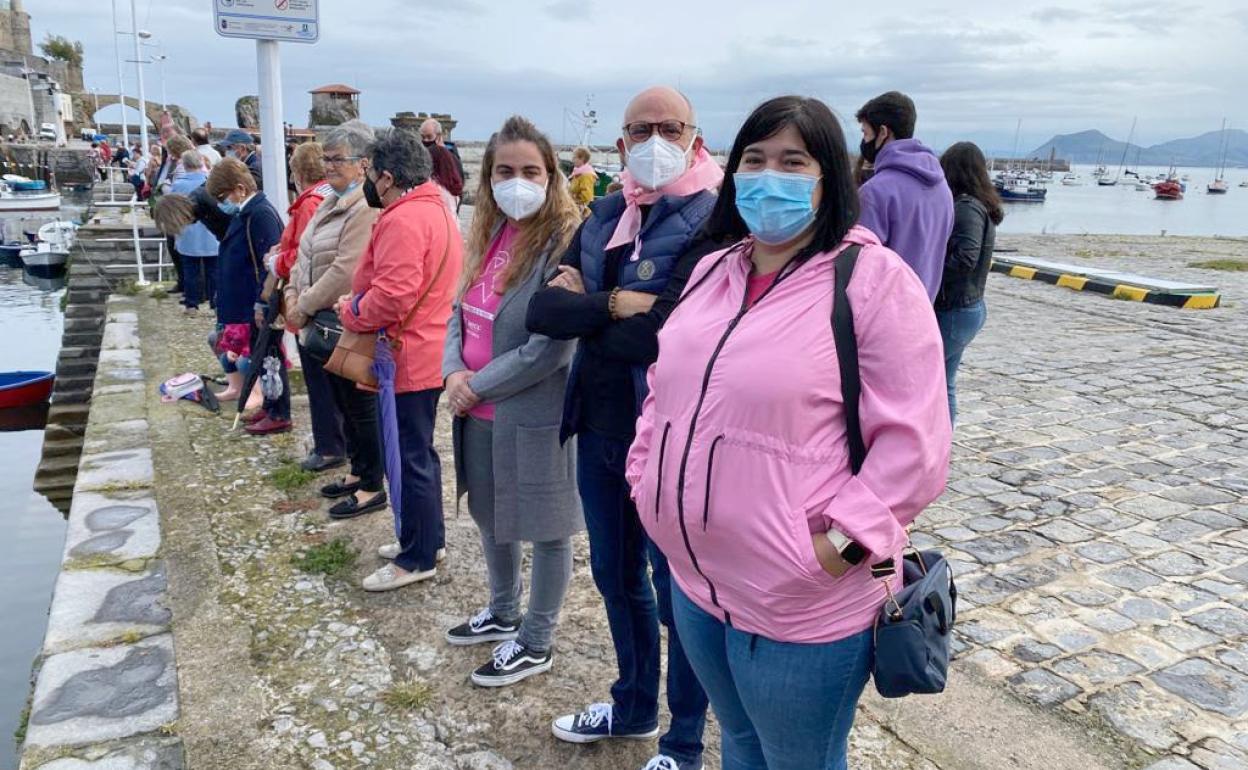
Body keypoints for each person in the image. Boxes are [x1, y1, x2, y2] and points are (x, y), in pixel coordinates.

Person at [626, 95, 952, 770]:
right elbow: (664, 391)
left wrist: (833, 548)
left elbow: (914, 447)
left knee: (799, 757)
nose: (768, 175)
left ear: (828, 177)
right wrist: (644, 478)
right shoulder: (716, 270)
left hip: (801, 606)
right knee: (739, 742)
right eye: (754, 159)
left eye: (792, 161)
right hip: (696, 585)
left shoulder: (873, 282)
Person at [527, 85, 722, 770]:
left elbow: (673, 332)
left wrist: (601, 308)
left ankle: (684, 743)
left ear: (695, 137)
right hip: (600, 427)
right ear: (620, 144)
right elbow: (544, 314)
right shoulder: (607, 210)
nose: (653, 141)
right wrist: (616, 302)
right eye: (640, 130)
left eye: (668, 127)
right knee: (616, 577)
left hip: (669, 439)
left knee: (680, 596)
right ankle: (635, 705)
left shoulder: (715, 221)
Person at [440, 116, 582, 687]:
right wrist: (453, 372)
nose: (516, 181)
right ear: (488, 177)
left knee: (548, 530)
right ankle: (503, 610)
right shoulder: (489, 232)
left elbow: (551, 350)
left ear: (551, 176)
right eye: (505, 171)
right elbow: (459, 313)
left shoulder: (563, 243)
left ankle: (538, 638)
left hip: (530, 415)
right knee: (491, 518)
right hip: (474, 410)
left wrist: (476, 384)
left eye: (530, 171)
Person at [337, 129, 462, 591]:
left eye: (370, 172)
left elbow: (392, 296)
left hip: (406, 353)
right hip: (430, 348)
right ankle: (427, 538)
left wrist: (352, 310)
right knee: (419, 453)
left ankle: (417, 556)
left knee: (408, 456)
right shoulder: (437, 209)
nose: (368, 181)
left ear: (387, 177)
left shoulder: (402, 220)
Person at [282, 122, 384, 508]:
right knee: (342, 402)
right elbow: (304, 256)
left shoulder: (363, 207)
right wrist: (293, 295)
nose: (329, 165)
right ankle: (358, 471)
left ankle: (371, 483)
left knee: (359, 407)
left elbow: (346, 270)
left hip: (341, 322)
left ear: (363, 164)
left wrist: (303, 306)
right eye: (326, 158)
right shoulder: (329, 201)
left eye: (338, 158)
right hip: (318, 318)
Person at [855, 91, 954, 301]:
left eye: (865, 133)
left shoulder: (875, 192)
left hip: (883, 315)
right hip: (924, 308)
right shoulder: (942, 187)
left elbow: (859, 269)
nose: (864, 142)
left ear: (883, 132)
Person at [206, 157, 285, 420]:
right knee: (254, 355)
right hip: (242, 302)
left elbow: (269, 263)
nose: (222, 203)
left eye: (222, 196)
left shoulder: (259, 214)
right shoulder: (246, 213)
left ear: (240, 189)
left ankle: (273, 409)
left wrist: (262, 301)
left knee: (263, 358)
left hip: (254, 302)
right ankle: (267, 407)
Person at [935, 142, 1001, 425]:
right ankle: (942, 442)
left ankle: (933, 442)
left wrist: (929, 272)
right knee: (945, 381)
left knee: (928, 376)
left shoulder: (966, 208)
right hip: (966, 307)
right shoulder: (978, 206)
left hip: (955, 309)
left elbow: (965, 257)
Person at [169, 151, 219, 314]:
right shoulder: (210, 182)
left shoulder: (177, 185)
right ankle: (215, 304)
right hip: (211, 232)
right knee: (214, 272)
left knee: (190, 270)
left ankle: (192, 304)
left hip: (188, 231)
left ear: (185, 165)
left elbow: (174, 210)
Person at [419, 118, 464, 200]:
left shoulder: (451, 158)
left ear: (439, 136)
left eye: (429, 137)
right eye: (423, 137)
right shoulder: (419, 155)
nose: (425, 140)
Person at [568, 146, 596, 213]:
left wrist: (574, 201)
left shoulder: (586, 175)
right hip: (575, 209)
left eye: (574, 157)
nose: (572, 160)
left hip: (581, 211)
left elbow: (587, 196)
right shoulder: (577, 174)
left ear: (582, 159)